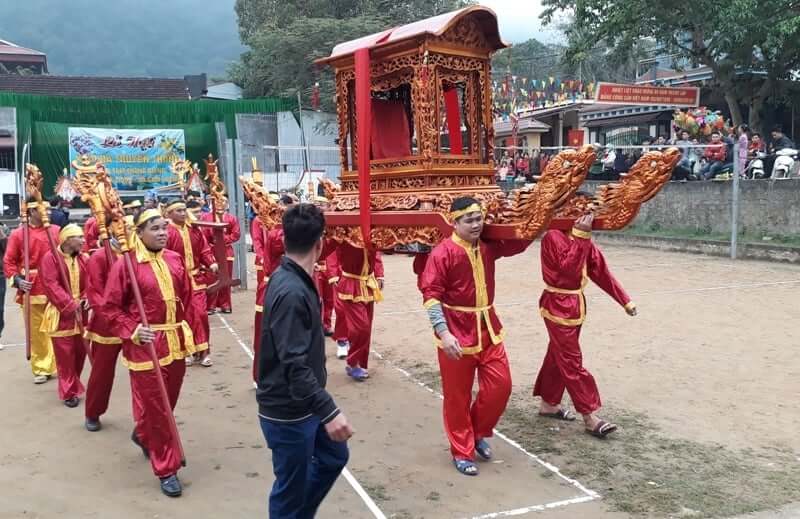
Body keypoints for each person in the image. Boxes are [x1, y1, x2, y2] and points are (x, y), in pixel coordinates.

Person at [419, 197, 530, 476]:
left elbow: (520, 239)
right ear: (454, 223)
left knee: (500, 387)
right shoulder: (442, 253)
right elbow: (431, 297)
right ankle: (462, 450)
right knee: (457, 397)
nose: (476, 224)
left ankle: (477, 431)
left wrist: (540, 219)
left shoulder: (488, 247)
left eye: (479, 218)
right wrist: (444, 334)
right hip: (455, 334)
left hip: (489, 328)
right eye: (468, 220)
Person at [257, 203, 352, 518]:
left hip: (304, 404)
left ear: (284, 240)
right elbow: (294, 365)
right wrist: (329, 412)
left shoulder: (294, 278)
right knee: (289, 489)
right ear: (320, 243)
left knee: (333, 457)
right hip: (288, 411)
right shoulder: (292, 290)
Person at [103, 209, 198, 497]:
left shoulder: (175, 259)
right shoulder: (126, 265)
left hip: (175, 341)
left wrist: (194, 335)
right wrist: (133, 329)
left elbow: (189, 299)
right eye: (154, 228)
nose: (162, 233)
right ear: (139, 232)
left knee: (169, 400)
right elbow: (110, 307)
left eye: (163, 228)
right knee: (157, 407)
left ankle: (143, 434)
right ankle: (166, 467)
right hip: (145, 345)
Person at [534, 210, 637, 438]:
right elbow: (567, 272)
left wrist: (624, 300)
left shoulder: (580, 237)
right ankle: (590, 416)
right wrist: (582, 236)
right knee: (571, 361)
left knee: (557, 355)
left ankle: (549, 403)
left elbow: (599, 270)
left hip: (574, 305)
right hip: (557, 305)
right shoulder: (553, 236)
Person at [3, 200, 59, 383]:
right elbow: (9, 261)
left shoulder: (56, 231)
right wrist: (17, 280)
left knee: (60, 328)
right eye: (45, 208)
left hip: (56, 285)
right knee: (36, 331)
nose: (49, 212)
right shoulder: (19, 234)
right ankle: (42, 367)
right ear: (33, 211)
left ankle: (61, 363)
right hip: (32, 287)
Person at [39, 224, 88, 407]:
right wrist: (69, 304)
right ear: (67, 240)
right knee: (65, 356)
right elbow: (51, 285)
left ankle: (74, 384)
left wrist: (86, 297)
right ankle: (68, 391)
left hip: (82, 313)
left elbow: (90, 281)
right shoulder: (50, 258)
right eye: (79, 237)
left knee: (80, 353)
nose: (84, 241)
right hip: (61, 315)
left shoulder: (84, 258)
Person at [165, 200, 217, 367]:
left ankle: (204, 352)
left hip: (196, 279)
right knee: (182, 316)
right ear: (170, 213)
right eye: (178, 210)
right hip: (175, 281)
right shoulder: (166, 231)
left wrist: (211, 262)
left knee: (201, 314)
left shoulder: (194, 229)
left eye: (184, 210)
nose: (182, 213)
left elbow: (204, 249)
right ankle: (188, 351)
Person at [252, 194, 294, 382]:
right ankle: (262, 376)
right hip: (273, 290)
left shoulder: (283, 232)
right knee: (266, 337)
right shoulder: (278, 234)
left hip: (290, 289)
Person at [84, 231, 124, 432]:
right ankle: (93, 411)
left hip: (136, 322)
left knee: (147, 374)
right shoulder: (99, 256)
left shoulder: (137, 255)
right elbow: (94, 292)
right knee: (102, 372)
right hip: (107, 325)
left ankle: (147, 422)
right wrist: (114, 318)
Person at [328, 242, 384, 381]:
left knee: (367, 326)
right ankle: (352, 360)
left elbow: (375, 252)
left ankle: (359, 364)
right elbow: (332, 251)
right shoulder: (345, 230)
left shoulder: (371, 231)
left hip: (368, 283)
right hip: (350, 283)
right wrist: (333, 274)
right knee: (361, 327)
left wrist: (379, 274)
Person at [200, 197, 240, 314]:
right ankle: (210, 305)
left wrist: (222, 239)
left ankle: (225, 304)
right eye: (217, 202)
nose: (220, 204)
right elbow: (203, 235)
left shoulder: (231, 218)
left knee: (226, 279)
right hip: (211, 251)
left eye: (223, 202)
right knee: (212, 278)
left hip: (226, 252)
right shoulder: (206, 217)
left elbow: (236, 234)